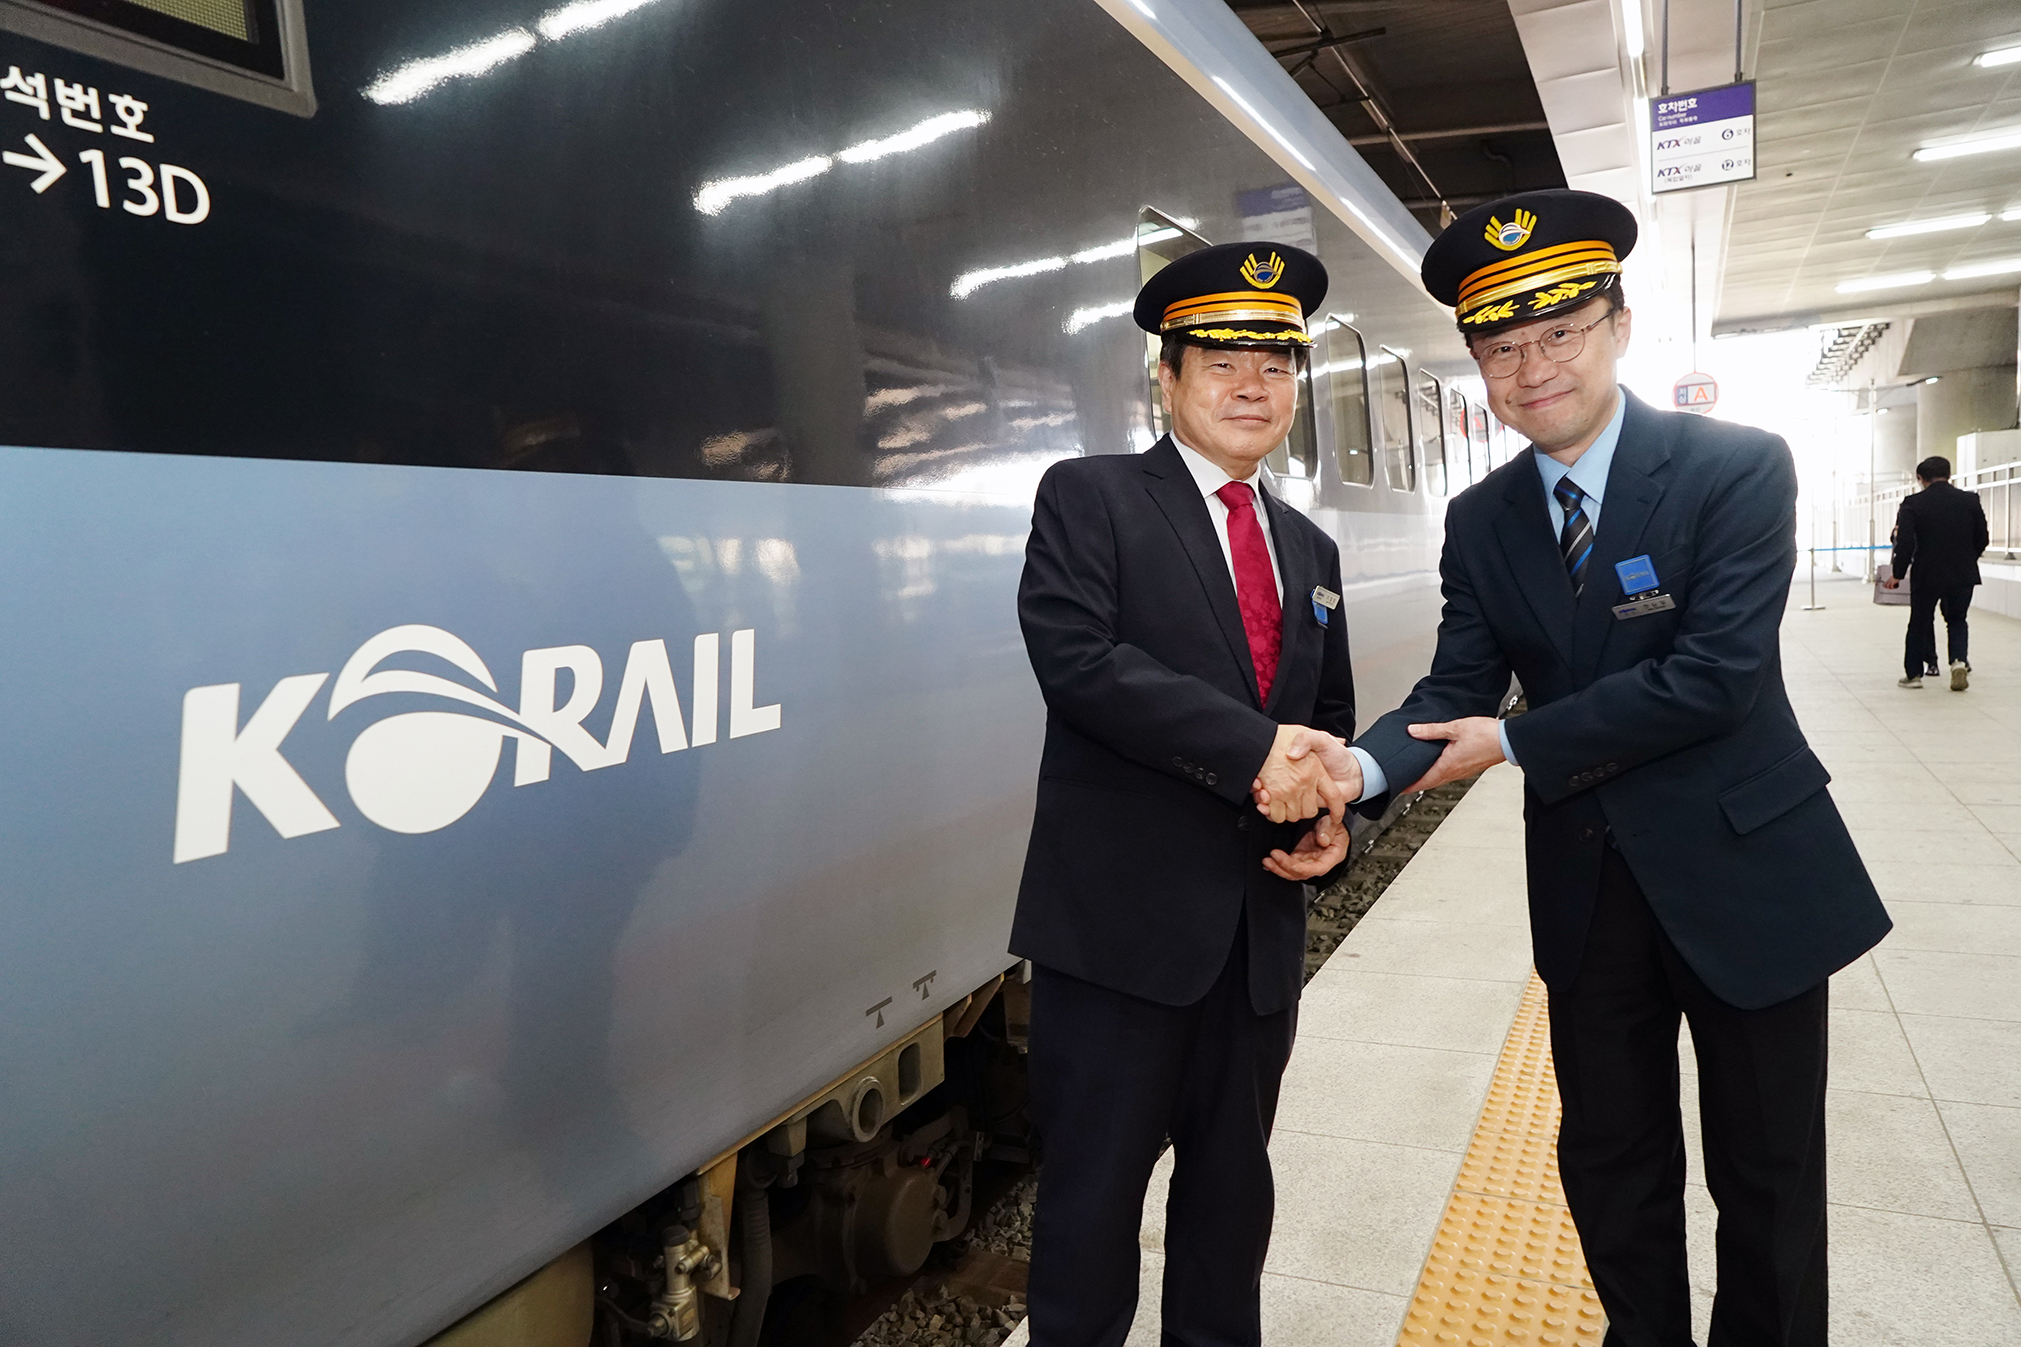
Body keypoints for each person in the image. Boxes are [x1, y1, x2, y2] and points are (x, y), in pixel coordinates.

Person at [1273, 189, 1892, 1347]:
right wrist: (1355, 773)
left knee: (1766, 1176)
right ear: (1478, 367)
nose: (1532, 367)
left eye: (1558, 332)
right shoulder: (1482, 519)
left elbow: (1713, 679)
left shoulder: (1734, 467)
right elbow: (1454, 688)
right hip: (1590, 885)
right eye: (1501, 347)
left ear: (1618, 326)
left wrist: (1514, 741)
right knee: (1608, 1162)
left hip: (1745, 875)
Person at [1011, 240, 1357, 1347]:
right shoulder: (1091, 497)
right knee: (1088, 1215)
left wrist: (1336, 819)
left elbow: (1327, 723)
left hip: (1255, 943)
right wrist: (1254, 750)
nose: (1253, 385)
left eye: (1275, 365)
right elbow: (1078, 661)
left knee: (1228, 1211)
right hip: (1116, 940)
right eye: (1221, 362)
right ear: (1166, 379)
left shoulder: (1309, 549)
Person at [1886, 455, 1988, 690]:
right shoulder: (1969, 500)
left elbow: (1905, 543)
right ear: (1949, 475)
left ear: (1920, 478)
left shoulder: (1912, 503)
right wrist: (1968, 558)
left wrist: (1898, 573)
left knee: (1920, 620)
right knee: (1957, 619)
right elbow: (1982, 537)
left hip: (1927, 572)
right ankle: (1958, 661)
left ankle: (1914, 675)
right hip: (1962, 571)